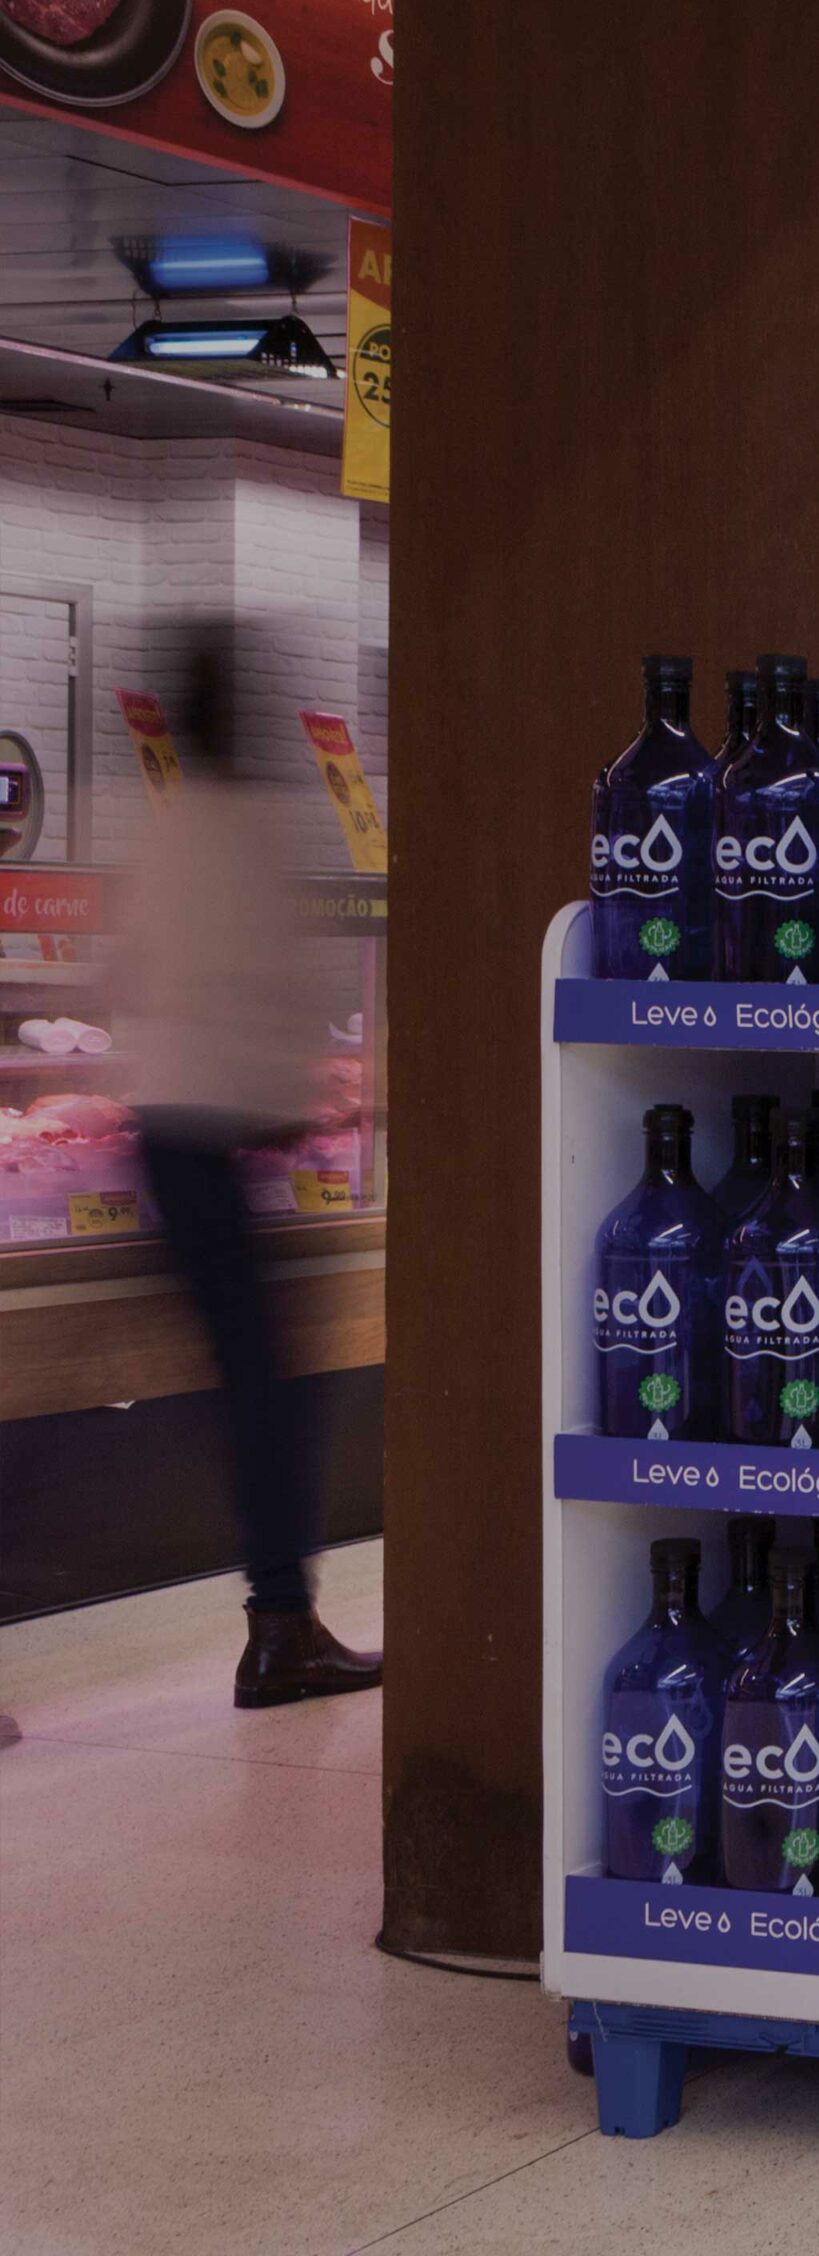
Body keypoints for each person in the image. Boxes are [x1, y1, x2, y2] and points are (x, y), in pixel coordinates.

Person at [110, 623, 382, 1704]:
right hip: (211, 1149)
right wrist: (302, 1102)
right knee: (273, 1395)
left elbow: (130, 972)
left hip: (157, 1140)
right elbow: (277, 991)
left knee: (254, 1386)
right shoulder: (252, 833)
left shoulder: (167, 829)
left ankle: (282, 1620)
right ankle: (281, 1630)